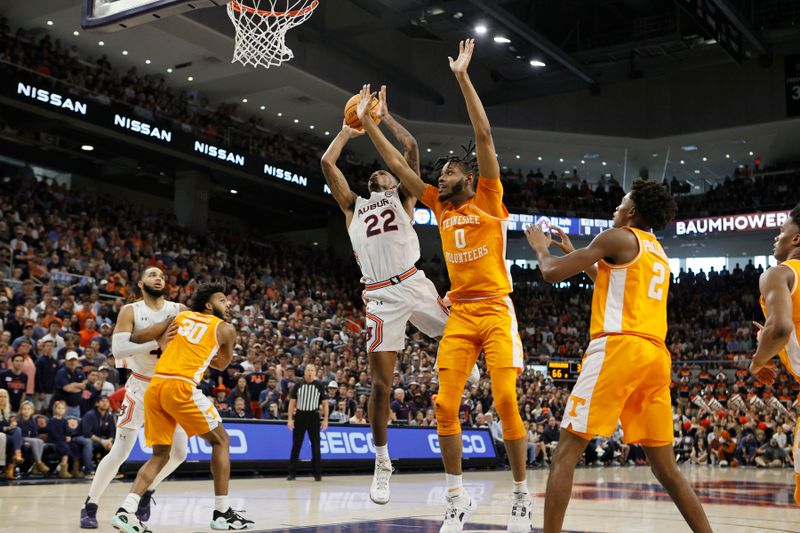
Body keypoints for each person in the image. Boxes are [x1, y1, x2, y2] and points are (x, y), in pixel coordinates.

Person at [357, 39, 530, 532]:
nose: (441, 174)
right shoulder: (438, 204)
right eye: (441, 171)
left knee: (504, 400)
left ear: (469, 178)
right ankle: (455, 500)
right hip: (460, 313)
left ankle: (520, 494)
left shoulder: (490, 197)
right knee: (444, 404)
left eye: (449, 170)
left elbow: (483, 133)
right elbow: (398, 166)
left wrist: (461, 77)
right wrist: (369, 123)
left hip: (496, 310)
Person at [321, 84, 478, 506]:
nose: (379, 173)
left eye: (384, 172)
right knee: (380, 386)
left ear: (392, 180)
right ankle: (382, 461)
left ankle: (469, 368)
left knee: (463, 332)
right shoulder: (353, 205)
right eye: (374, 174)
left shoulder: (404, 196)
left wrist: (383, 116)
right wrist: (345, 130)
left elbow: (409, 146)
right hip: (379, 296)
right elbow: (326, 162)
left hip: (414, 282)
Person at [525, 178, 711, 533]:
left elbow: (549, 274)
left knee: (566, 452)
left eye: (621, 203)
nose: (615, 208)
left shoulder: (616, 237)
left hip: (618, 347)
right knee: (666, 469)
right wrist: (575, 253)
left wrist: (540, 248)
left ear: (633, 211)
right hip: (655, 356)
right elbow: (615, 285)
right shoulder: (657, 250)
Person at [111, 282, 254, 532]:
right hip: (181, 386)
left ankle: (126, 511)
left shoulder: (181, 316)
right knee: (221, 441)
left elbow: (138, 336)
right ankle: (222, 513)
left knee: (160, 454)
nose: (228, 304)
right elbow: (221, 364)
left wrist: (168, 342)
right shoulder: (226, 329)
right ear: (209, 305)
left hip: (156, 387)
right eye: (223, 300)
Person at [81, 267, 188, 529]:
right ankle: (90, 504)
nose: (159, 277)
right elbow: (118, 348)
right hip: (140, 386)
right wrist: (157, 343)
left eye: (163, 274)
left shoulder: (179, 309)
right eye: (152, 274)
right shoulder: (131, 310)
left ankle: (146, 491)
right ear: (141, 283)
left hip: (170, 386)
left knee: (180, 453)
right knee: (120, 451)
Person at [749, 203, 800, 506]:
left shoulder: (779, 274)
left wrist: (758, 360)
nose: (776, 238)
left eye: (781, 231)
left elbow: (780, 327)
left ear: (796, 239)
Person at [287, 364, 329, 482]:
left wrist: (325, 419)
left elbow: (325, 403)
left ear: (315, 372)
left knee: (316, 445)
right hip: (300, 416)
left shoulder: (319, 385)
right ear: (304, 372)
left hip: (314, 416)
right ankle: (291, 473)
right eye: (308, 370)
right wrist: (290, 419)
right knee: (296, 444)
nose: (310, 372)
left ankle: (317, 473)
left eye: (312, 370)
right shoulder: (298, 385)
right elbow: (292, 403)